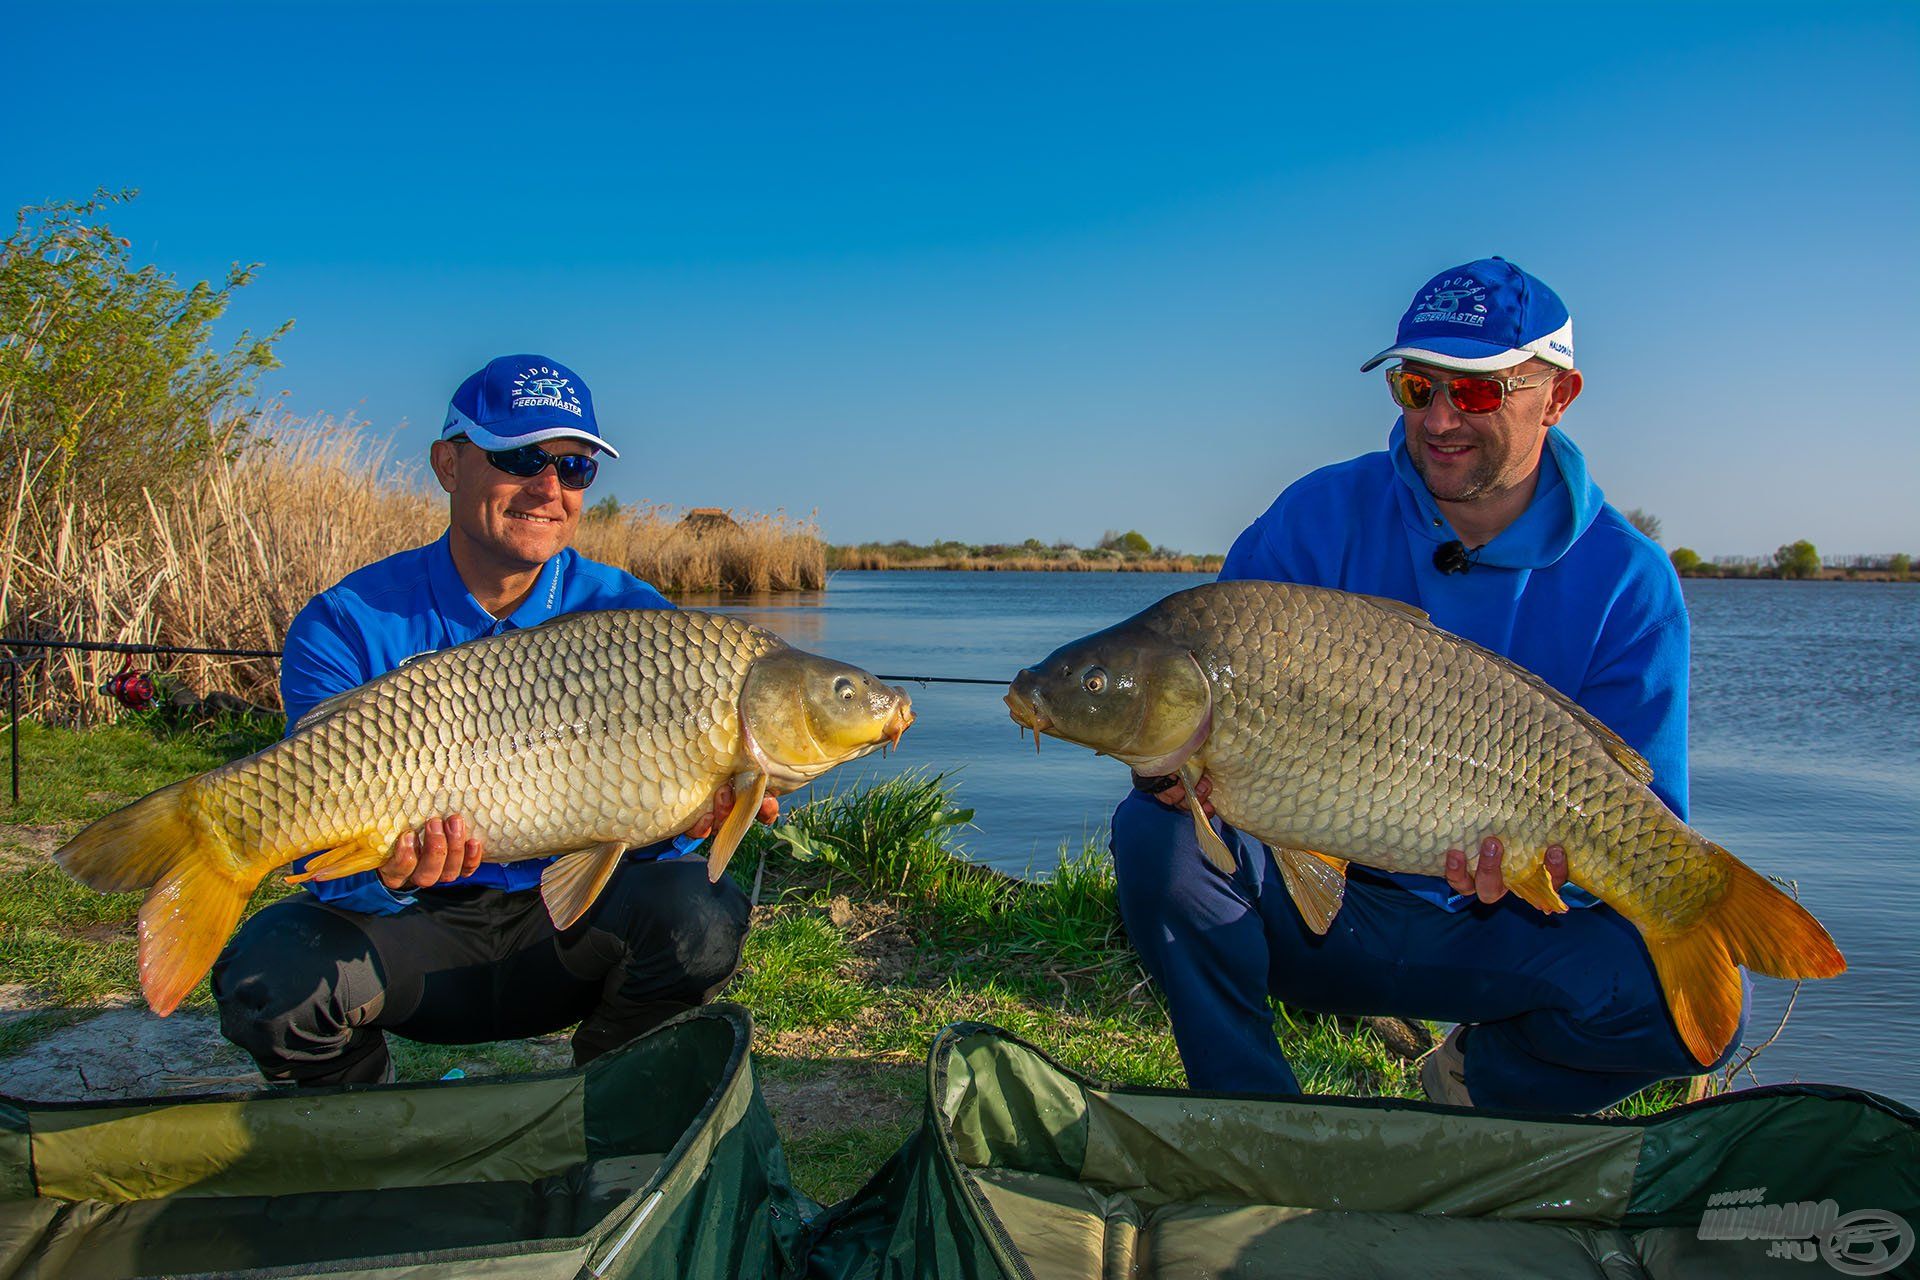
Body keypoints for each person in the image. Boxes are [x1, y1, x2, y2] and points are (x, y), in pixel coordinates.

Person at [1110, 258, 1746, 1113]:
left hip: (1511, 929)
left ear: (1557, 396)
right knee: (1158, 840)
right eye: (1417, 387)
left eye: (1479, 393)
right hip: (1322, 918)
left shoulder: (1629, 580)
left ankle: (1474, 1085)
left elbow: (1650, 811)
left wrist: (1556, 867)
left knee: (1676, 1009)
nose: (1441, 419)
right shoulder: (1314, 519)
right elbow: (1182, 704)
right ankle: (1251, 1114)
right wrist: (1164, 765)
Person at [213, 354, 773, 1086]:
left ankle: (609, 1109)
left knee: (700, 912)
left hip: (566, 937)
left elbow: (657, 859)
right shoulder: (346, 623)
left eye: (575, 468)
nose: (549, 488)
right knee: (270, 974)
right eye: (520, 457)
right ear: (448, 464)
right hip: (415, 938)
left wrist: (692, 819)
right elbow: (323, 869)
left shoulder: (633, 618)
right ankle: (361, 1136)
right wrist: (394, 878)